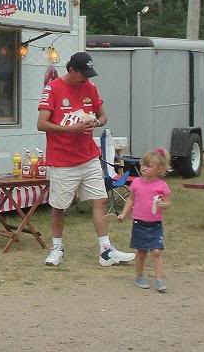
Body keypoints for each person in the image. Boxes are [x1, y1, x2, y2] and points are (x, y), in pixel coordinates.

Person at [37, 51, 135, 267]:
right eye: (83, 73)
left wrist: (96, 123)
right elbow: (41, 123)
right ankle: (57, 248)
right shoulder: (53, 88)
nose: (87, 78)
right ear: (72, 70)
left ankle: (106, 251)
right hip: (62, 160)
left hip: (88, 156)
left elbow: (103, 115)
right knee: (59, 206)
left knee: (100, 200)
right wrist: (68, 130)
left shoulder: (90, 87)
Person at [117, 149, 172, 292]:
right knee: (141, 253)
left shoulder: (161, 185)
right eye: (143, 164)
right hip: (139, 223)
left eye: (149, 165)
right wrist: (123, 214)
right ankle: (139, 276)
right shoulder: (136, 183)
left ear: (159, 169)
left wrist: (162, 204)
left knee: (156, 252)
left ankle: (159, 279)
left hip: (155, 224)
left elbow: (167, 203)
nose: (144, 168)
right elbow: (131, 200)